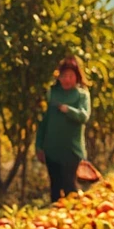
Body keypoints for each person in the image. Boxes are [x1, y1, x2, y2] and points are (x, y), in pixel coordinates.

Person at [35, 56, 92, 203]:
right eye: (63, 76)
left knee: (69, 186)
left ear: (77, 77)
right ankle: (55, 219)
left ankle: (72, 217)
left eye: (70, 76)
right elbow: (43, 122)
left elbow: (84, 116)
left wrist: (68, 110)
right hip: (52, 149)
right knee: (55, 187)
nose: (67, 80)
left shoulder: (82, 95)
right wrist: (39, 145)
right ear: (58, 77)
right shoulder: (52, 94)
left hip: (72, 150)